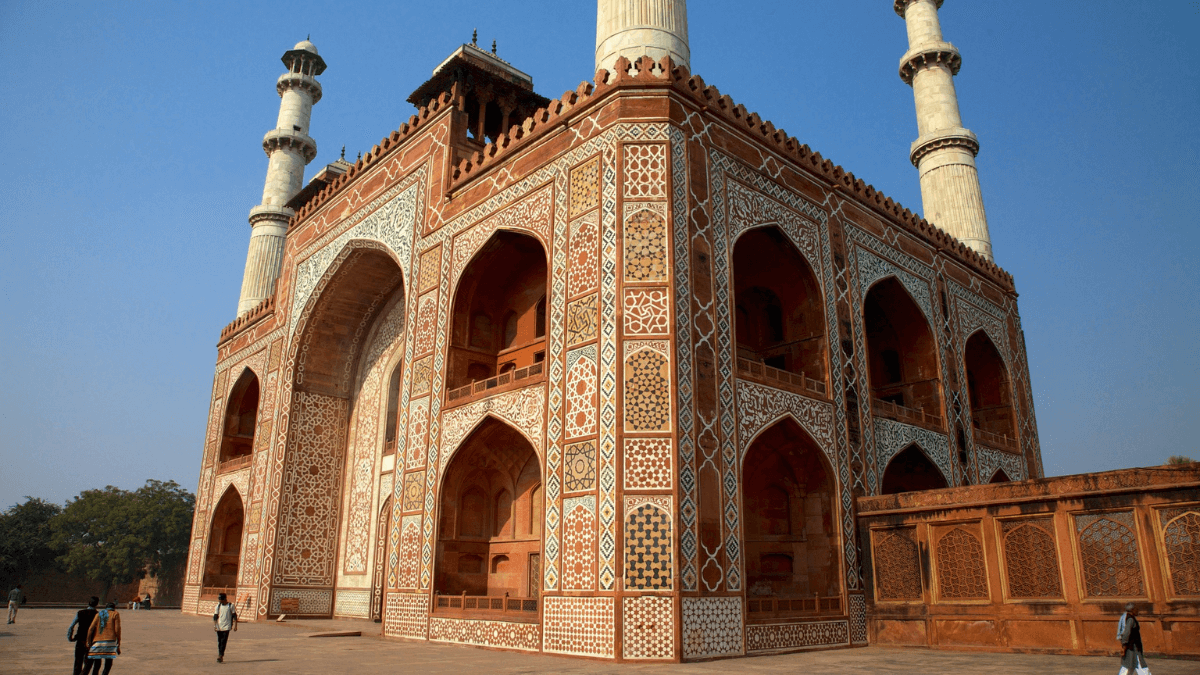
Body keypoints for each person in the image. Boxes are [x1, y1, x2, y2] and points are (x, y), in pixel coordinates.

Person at [85, 602, 121, 674]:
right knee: (108, 663)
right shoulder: (115, 614)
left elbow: (91, 628)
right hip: (110, 641)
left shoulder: (98, 614)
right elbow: (117, 629)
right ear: (114, 608)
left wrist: (88, 641)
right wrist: (118, 643)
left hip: (97, 640)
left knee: (97, 664)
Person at [68, 597, 101, 675]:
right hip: (92, 641)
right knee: (88, 662)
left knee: (78, 661)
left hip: (80, 639)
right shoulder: (98, 615)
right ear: (97, 604)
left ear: (89, 603)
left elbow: (71, 626)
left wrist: (70, 637)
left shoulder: (80, 612)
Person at [1118, 602, 1151, 675]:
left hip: (1132, 646)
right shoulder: (1130, 620)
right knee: (1140, 665)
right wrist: (1124, 645)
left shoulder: (1128, 618)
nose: (1138, 611)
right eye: (1136, 609)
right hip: (1133, 647)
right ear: (1132, 610)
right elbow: (1127, 633)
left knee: (1129, 666)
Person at [212, 592, 238, 663]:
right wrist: (215, 625)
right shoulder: (218, 606)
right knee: (219, 641)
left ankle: (220, 656)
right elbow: (215, 616)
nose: (220, 601)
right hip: (219, 626)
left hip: (227, 626)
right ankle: (220, 653)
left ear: (224, 599)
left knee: (223, 641)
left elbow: (234, 615)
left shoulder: (230, 605)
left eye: (221, 599)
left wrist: (235, 625)